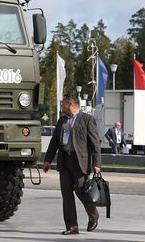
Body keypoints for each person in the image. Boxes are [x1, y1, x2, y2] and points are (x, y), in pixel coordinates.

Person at [43, 93, 102, 235]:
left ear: (70, 104)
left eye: (63, 103)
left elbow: (95, 144)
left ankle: (93, 215)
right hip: (64, 161)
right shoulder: (62, 120)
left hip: (80, 161)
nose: (61, 105)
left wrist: (97, 163)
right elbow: (54, 141)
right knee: (67, 195)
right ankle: (72, 226)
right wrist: (47, 160)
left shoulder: (87, 119)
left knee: (82, 191)